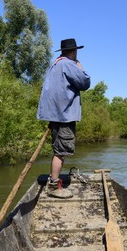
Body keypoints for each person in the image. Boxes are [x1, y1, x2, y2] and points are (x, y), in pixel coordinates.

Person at [37, 38, 91, 198]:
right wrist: (80, 67)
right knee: (61, 151)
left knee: (58, 149)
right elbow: (85, 82)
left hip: (55, 114)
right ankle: (54, 186)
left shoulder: (54, 64)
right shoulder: (68, 64)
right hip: (64, 115)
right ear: (74, 51)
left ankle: (53, 180)